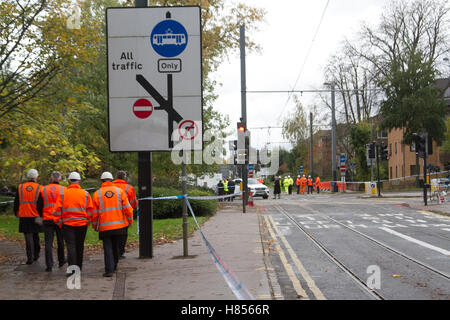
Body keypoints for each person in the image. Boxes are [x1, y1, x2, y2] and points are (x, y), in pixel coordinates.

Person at [92, 172, 133, 277]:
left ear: (101, 181)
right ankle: (114, 265)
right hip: (119, 226)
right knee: (116, 246)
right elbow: (128, 209)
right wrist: (130, 221)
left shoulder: (97, 194)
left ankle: (109, 270)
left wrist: (95, 225)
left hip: (104, 227)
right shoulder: (120, 192)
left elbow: (95, 213)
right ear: (111, 179)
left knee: (107, 247)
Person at [53, 172, 93, 272]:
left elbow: (56, 210)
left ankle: (72, 270)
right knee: (80, 246)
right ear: (79, 181)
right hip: (81, 224)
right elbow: (90, 210)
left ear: (69, 181)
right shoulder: (85, 194)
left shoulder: (63, 193)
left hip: (67, 225)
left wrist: (59, 223)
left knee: (71, 246)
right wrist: (87, 221)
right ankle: (79, 268)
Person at [14, 169, 43, 265]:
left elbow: (16, 201)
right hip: (36, 216)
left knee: (28, 236)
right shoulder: (40, 188)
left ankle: (29, 257)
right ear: (36, 177)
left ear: (27, 177)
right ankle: (36, 254)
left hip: (24, 215)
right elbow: (42, 203)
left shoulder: (20, 187)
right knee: (36, 234)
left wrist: (16, 212)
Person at [38, 171, 66, 272]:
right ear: (59, 179)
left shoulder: (43, 189)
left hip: (47, 219)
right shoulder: (64, 190)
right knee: (60, 241)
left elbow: (39, 206)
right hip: (59, 219)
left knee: (48, 243)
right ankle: (61, 261)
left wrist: (42, 216)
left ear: (51, 178)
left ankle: (49, 265)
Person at [113, 171, 137, 259]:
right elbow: (133, 203)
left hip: (111, 214)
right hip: (124, 215)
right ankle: (120, 252)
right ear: (124, 177)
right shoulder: (129, 188)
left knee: (113, 234)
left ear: (116, 177)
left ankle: (114, 250)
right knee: (123, 234)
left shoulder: (110, 186)